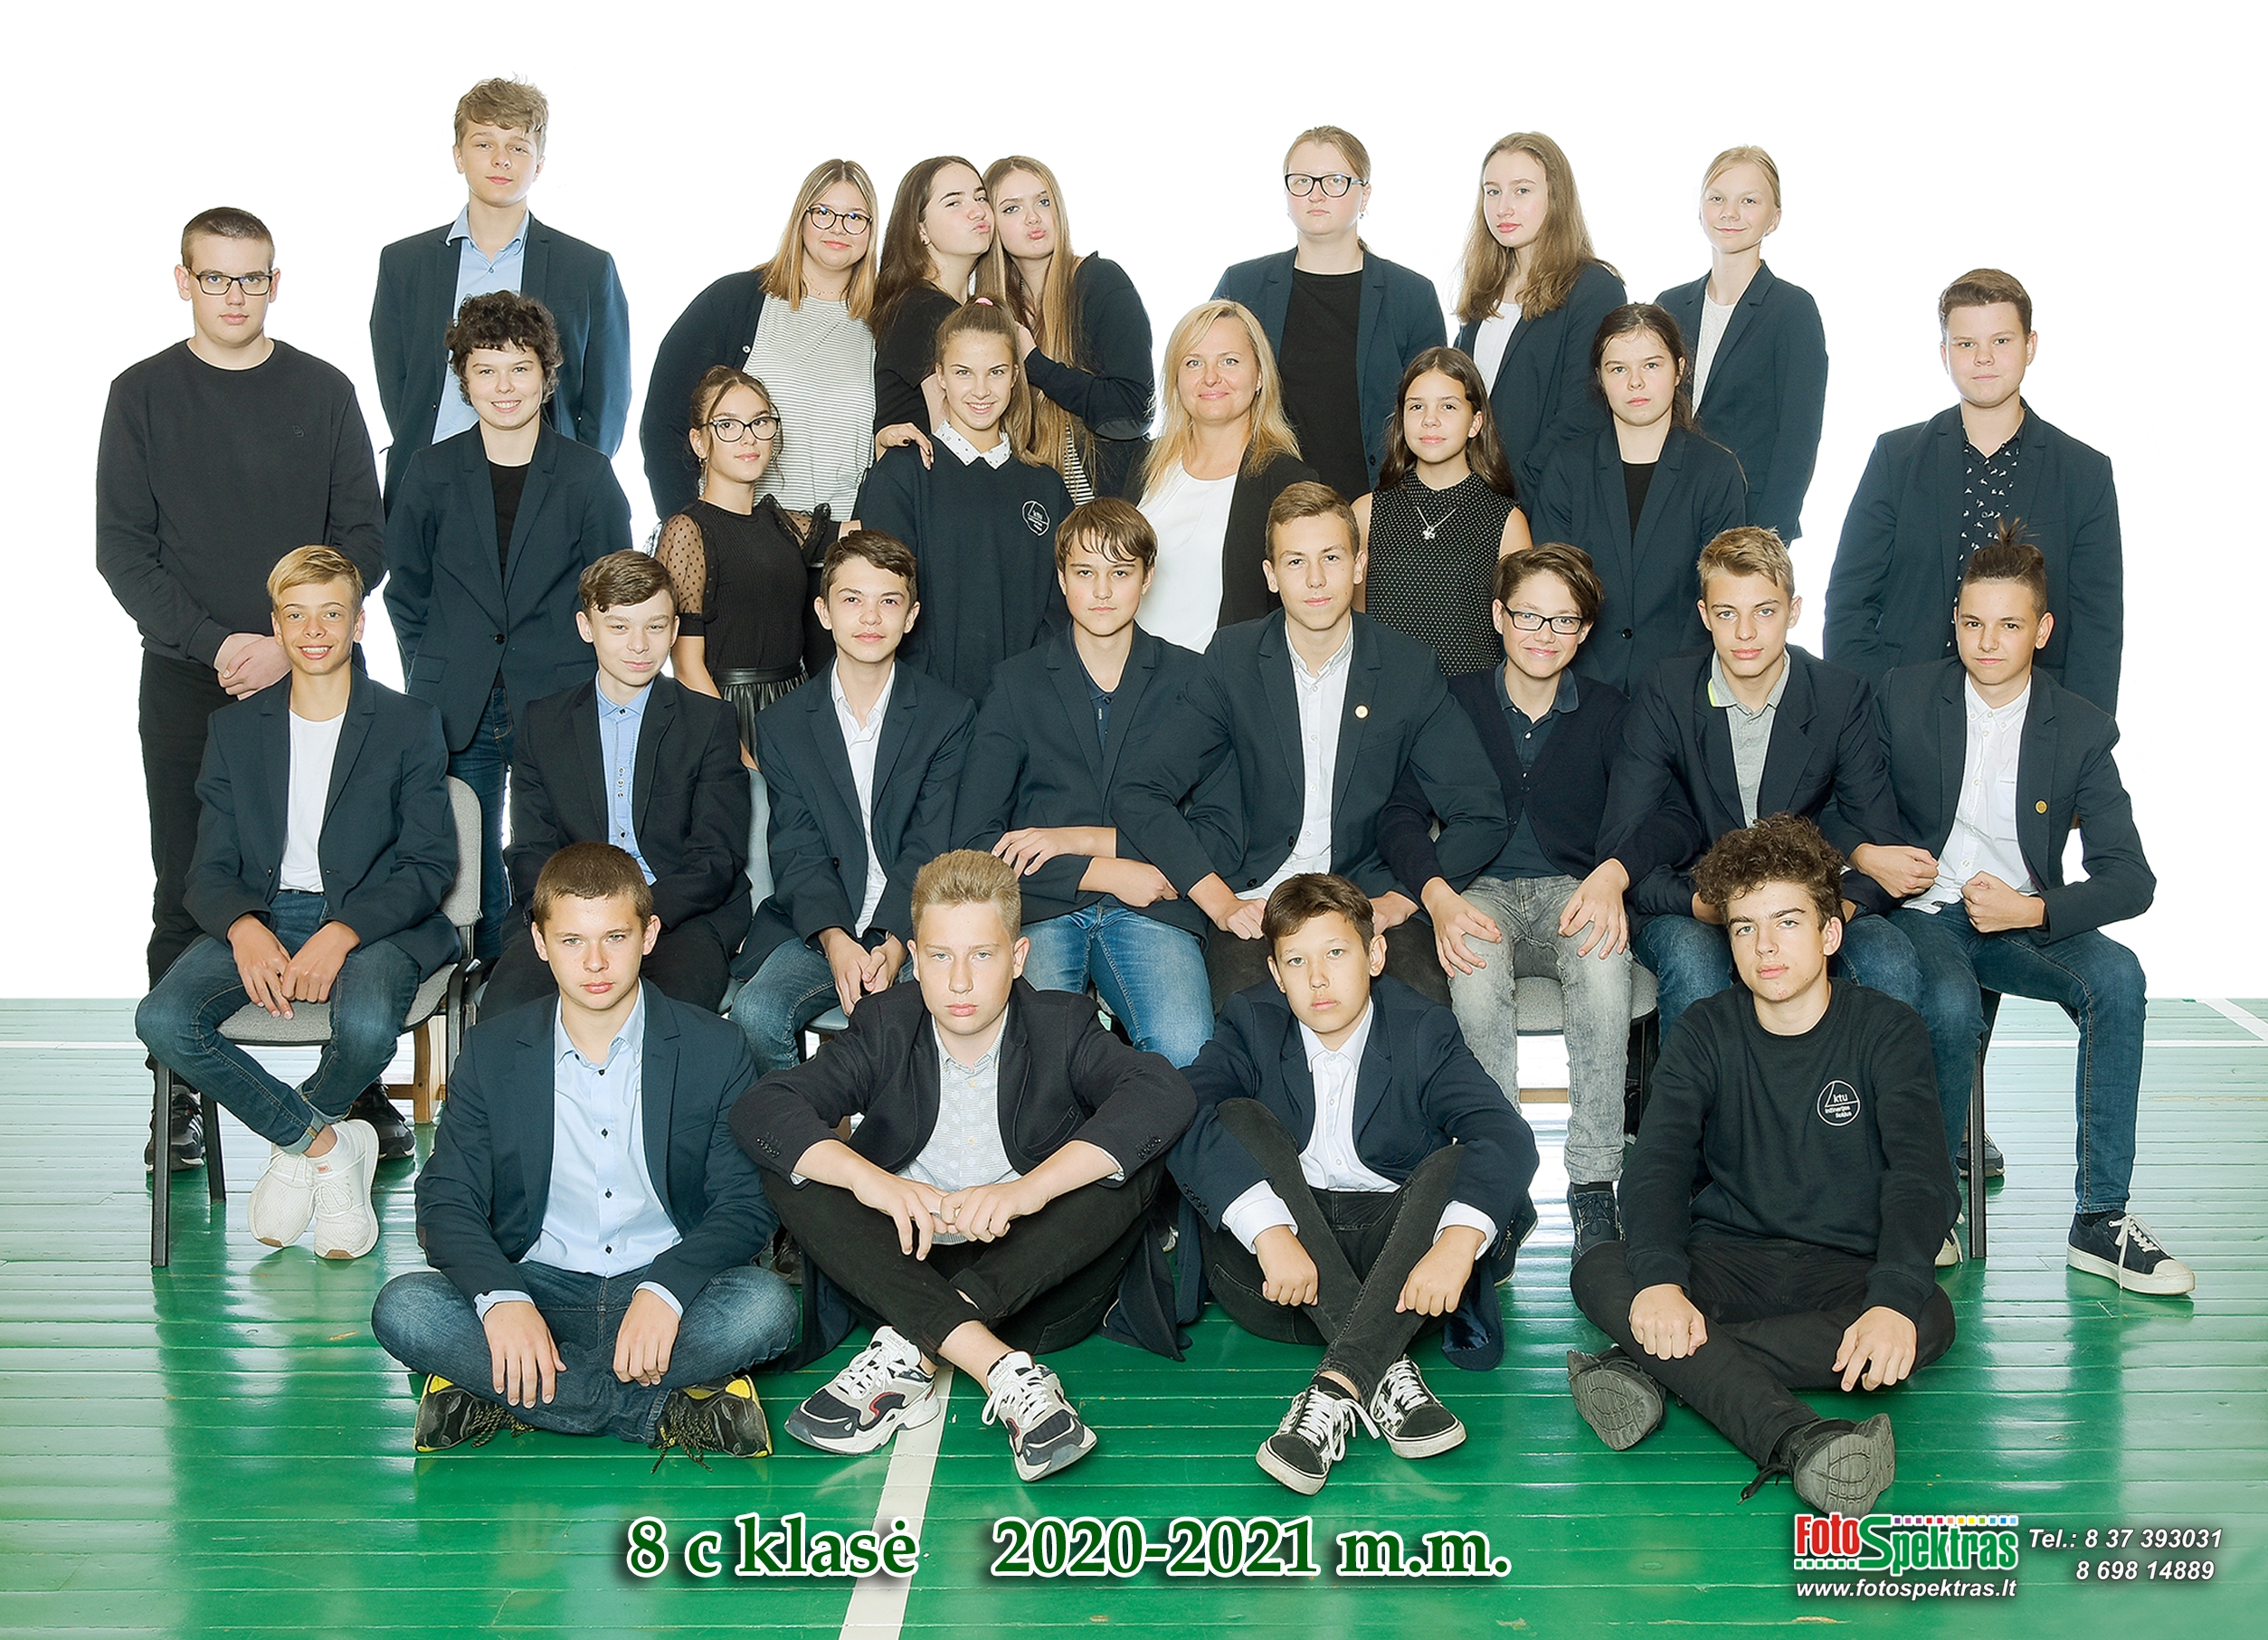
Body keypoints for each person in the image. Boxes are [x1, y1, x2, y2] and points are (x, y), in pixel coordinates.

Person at [730, 850, 1196, 1483]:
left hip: (1029, 1283)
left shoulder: (1061, 1024)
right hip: (903, 1267)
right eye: (941, 956)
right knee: (797, 1167)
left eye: (981, 955)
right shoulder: (885, 1025)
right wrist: (876, 1183)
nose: (958, 982)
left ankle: (915, 1349)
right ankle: (1003, 1370)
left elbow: (1163, 1094)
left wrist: (1029, 1192)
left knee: (1128, 1164)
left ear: (1018, 958)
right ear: (915, 959)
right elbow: (764, 1108)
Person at [98, 205, 388, 1170]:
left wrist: (288, 643)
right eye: (216, 277)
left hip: (317, 669)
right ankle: (177, 1096)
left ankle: (358, 1082)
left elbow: (364, 536)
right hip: (189, 679)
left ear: (275, 282)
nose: (234, 294)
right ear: (183, 280)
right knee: (186, 882)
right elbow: (123, 551)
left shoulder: (324, 389)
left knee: (342, 870)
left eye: (252, 276)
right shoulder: (140, 395)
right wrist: (220, 642)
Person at [1567, 814, 1957, 1518]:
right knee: (1599, 1268)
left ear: (1829, 934)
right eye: (1744, 927)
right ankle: (1801, 1438)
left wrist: (1891, 1301)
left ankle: (1649, 1366)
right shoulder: (1704, 1029)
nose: (1765, 945)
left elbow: (1920, 1178)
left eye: (1786, 922)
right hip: (1726, 1260)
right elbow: (1656, 1166)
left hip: (1844, 1264)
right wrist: (1659, 1282)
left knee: (1926, 1315)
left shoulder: (1886, 1028)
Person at [371, 842, 794, 1461]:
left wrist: (669, 1287)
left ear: (649, 935)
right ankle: (659, 1406)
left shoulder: (715, 1046)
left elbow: (745, 1202)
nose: (595, 962)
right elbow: (446, 1199)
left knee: (766, 1309)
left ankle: (514, 1391)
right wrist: (503, 1301)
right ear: (540, 942)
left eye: (615, 937)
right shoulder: (492, 1051)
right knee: (405, 1307)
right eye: (572, 940)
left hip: (661, 1285)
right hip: (535, 1282)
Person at [1880, 528, 2187, 1292]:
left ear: (2041, 630)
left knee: (2117, 976)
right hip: (1921, 913)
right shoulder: (1901, 695)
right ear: (1953, 621)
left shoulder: (2077, 727)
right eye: (1973, 622)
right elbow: (1846, 803)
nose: (1988, 641)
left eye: (2009, 624)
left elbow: (2131, 877)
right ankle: (1927, 1208)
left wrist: (2031, 909)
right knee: (1949, 1002)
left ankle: (2099, 1220)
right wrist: (1874, 859)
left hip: (2017, 923)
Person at [1171, 874, 1539, 1494]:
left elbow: (1504, 1134)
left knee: (1452, 1165)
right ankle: (1382, 1370)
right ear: (1275, 972)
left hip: (1400, 1281)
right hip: (1281, 1277)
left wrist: (1454, 1246)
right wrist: (1269, 1232)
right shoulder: (1250, 1021)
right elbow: (1182, 1117)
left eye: (1336, 953)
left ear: (1374, 955)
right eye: (1296, 961)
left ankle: (1335, 1387)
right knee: (1235, 1117)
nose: (1317, 979)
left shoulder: (1422, 1027)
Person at [136, 547, 458, 1256]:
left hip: (377, 921)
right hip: (265, 913)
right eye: (296, 615)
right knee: (161, 1018)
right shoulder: (234, 729)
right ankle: (326, 1147)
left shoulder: (408, 722)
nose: (314, 631)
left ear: (359, 624)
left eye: (331, 614)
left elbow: (428, 864)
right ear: (276, 626)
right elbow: (207, 868)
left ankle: (292, 1153)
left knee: (367, 1026)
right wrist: (244, 928)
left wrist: (342, 932)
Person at [1115, 483, 1505, 1010]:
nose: (1316, 579)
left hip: (1365, 897)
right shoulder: (1233, 659)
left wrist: (1405, 898)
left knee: (1417, 1018)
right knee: (1249, 1029)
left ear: (1359, 565)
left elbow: (1481, 811)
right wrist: (1218, 901)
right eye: (1296, 561)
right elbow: (1140, 790)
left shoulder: (1407, 667)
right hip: (1256, 898)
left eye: (1331, 558)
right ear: (1271, 575)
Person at [1377, 544, 1639, 1258]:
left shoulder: (1611, 712)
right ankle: (1495, 1180)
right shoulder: (1452, 701)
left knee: (1603, 966)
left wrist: (1613, 874)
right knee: (1472, 974)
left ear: (1584, 630)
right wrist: (1434, 895)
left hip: (1571, 888)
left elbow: (1663, 812)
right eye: (1527, 615)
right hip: (1477, 889)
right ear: (1497, 615)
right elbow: (1399, 814)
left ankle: (1592, 1184)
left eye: (1563, 620)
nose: (1543, 634)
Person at [383, 290, 634, 962]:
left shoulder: (587, 476)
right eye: (485, 369)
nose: (503, 386)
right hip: (455, 697)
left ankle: (543, 980)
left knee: (553, 852)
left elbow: (614, 597)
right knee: (468, 863)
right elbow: (406, 591)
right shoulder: (430, 472)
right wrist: (436, 663)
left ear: (547, 376)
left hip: (558, 694)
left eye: (520, 367)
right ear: (463, 379)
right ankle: (493, 985)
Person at [1600, 528, 1922, 1032]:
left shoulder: (1840, 696)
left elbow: (1879, 843)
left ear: (1794, 612)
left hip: (1809, 902)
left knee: (1889, 961)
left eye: (1765, 612)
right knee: (1692, 959)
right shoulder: (1667, 688)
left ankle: (1850, 1086)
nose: (1745, 633)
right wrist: (1698, 906)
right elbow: (1625, 839)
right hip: (1696, 899)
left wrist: (1824, 914)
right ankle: (1699, 1088)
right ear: (1705, 615)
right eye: (1727, 613)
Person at [954, 499, 1215, 1067]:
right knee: (1036, 1060)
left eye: (1120, 572)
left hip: (1156, 906)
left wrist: (1128, 864)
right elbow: (975, 839)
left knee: (1186, 1050)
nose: (1102, 591)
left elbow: (1216, 826)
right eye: (1084, 572)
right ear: (1061, 578)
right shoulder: (1016, 683)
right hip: (1042, 905)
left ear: (1147, 577)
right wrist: (1105, 871)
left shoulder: (1192, 679)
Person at [1826, 269, 2122, 715]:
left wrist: (2078, 737)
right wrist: (1870, 712)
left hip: (2035, 713)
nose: (1984, 357)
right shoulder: (1897, 459)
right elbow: (1850, 601)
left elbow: (2098, 628)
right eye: (1966, 344)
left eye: (2001, 341)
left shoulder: (2083, 473)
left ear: (2031, 346)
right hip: (1905, 711)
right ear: (1944, 354)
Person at [731, 533, 973, 1072]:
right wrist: (836, 940)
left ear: (910, 617)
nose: (870, 617)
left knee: (917, 1026)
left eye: (888, 601)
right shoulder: (783, 725)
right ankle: (800, 1126)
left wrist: (894, 941)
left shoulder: (948, 716)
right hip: (820, 926)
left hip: (916, 923)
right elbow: (797, 847)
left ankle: (903, 1125)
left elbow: (932, 842)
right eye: (851, 599)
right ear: (823, 612)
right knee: (756, 1013)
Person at [479, 553, 751, 1018]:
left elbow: (716, 856)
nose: (639, 645)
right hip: (569, 915)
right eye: (620, 627)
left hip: (676, 915)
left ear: (674, 629)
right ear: (587, 627)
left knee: (664, 1022)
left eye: (655, 627)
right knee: (509, 1015)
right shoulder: (543, 723)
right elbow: (529, 849)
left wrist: (633, 917)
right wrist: (576, 918)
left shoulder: (710, 722)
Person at [370, 77, 630, 499]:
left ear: (539, 164)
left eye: (518, 147)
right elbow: (398, 390)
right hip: (430, 489)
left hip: (546, 493)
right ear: (458, 155)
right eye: (484, 143)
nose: (501, 159)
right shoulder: (403, 264)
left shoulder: (587, 269)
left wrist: (574, 489)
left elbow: (607, 401)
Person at [854, 300, 1074, 702]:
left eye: (996, 372)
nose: (980, 390)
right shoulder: (903, 474)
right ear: (940, 375)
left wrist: (1026, 692)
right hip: (927, 709)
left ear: (1015, 376)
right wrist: (930, 701)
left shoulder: (1046, 486)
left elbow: (1061, 606)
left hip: (1024, 708)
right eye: (963, 372)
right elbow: (885, 598)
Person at [1212, 126, 1447, 502]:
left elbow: (1435, 414)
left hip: (1376, 502)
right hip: (1263, 500)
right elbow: (1209, 392)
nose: (1316, 194)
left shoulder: (1411, 296)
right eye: (1302, 181)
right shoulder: (1243, 286)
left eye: (1335, 180)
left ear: (1365, 194)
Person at [640, 158, 880, 521]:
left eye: (855, 217)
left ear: (871, 230)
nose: (838, 227)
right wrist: (691, 526)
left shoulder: (886, 321)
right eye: (823, 212)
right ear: (801, 218)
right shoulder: (735, 301)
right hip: (740, 542)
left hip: (843, 543)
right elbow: (663, 423)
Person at [1527, 304, 1749, 695]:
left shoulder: (1716, 471)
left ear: (1679, 370)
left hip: (1683, 689)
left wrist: (1675, 685)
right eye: (1618, 369)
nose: (1635, 383)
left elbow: (1723, 593)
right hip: (1579, 685)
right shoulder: (1566, 468)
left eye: (1651, 365)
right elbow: (1553, 586)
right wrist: (1590, 685)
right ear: (1599, 377)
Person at [655, 367, 836, 758]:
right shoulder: (686, 530)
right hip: (727, 714)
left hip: (796, 708)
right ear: (700, 442)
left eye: (760, 422)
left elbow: (878, 526)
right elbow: (686, 666)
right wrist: (737, 755)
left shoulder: (782, 525)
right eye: (727, 425)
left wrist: (887, 447)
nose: (748, 437)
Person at [1656, 147, 1828, 545]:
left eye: (1748, 201)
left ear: (1775, 218)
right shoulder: (1669, 305)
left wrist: (1767, 539)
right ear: (1700, 210)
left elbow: (1798, 441)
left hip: (1747, 520)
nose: (1729, 213)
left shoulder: (1792, 310)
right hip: (1667, 514)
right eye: (1717, 198)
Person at [1134, 300, 1318, 651]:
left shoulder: (1288, 481)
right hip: (1135, 676)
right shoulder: (1146, 462)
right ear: (1175, 378)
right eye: (1193, 362)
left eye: (1229, 361)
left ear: (1260, 375)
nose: (1210, 377)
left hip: (1224, 679)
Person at [1452, 132, 1627, 497]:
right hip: (1471, 495)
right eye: (1492, 191)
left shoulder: (1594, 288)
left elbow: (1582, 414)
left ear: (1555, 197)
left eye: (1522, 190)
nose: (1503, 208)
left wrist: (1512, 496)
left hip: (1543, 502)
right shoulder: (1484, 287)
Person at [979, 156, 1155, 504]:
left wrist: (1036, 364)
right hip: (1034, 512)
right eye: (1012, 208)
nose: (1033, 217)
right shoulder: (996, 309)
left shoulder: (1100, 281)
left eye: (1043, 202)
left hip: (1109, 513)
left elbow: (1133, 409)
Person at [1353, 346, 1530, 676]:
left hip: (1469, 697)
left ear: (1475, 422)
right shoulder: (1367, 511)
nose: (1430, 419)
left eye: (1448, 406)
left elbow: (1521, 632)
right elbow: (1355, 623)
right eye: (1416, 406)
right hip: (1383, 693)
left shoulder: (1506, 520)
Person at [869, 156, 992, 437]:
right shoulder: (923, 310)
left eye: (980, 198)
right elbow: (954, 438)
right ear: (920, 230)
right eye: (954, 202)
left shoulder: (951, 308)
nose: (977, 211)